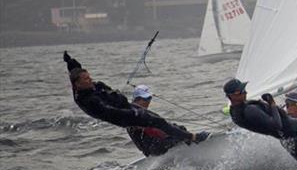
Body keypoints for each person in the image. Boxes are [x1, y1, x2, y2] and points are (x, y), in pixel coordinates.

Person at [63, 51, 203, 145]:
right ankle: (193, 138)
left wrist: (70, 62)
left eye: (89, 77)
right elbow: (109, 112)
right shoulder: (89, 100)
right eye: (86, 79)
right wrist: (133, 113)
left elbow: (75, 70)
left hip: (126, 107)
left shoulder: (82, 83)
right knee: (157, 122)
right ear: (78, 83)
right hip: (123, 116)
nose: (90, 80)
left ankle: (181, 135)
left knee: (158, 119)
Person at [126, 85, 208, 157]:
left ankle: (191, 142)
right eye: (146, 98)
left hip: (154, 147)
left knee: (179, 128)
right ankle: (195, 140)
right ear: (137, 99)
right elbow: (156, 131)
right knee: (175, 133)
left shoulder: (136, 111)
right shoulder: (135, 115)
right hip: (154, 149)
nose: (148, 101)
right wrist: (191, 136)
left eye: (150, 97)